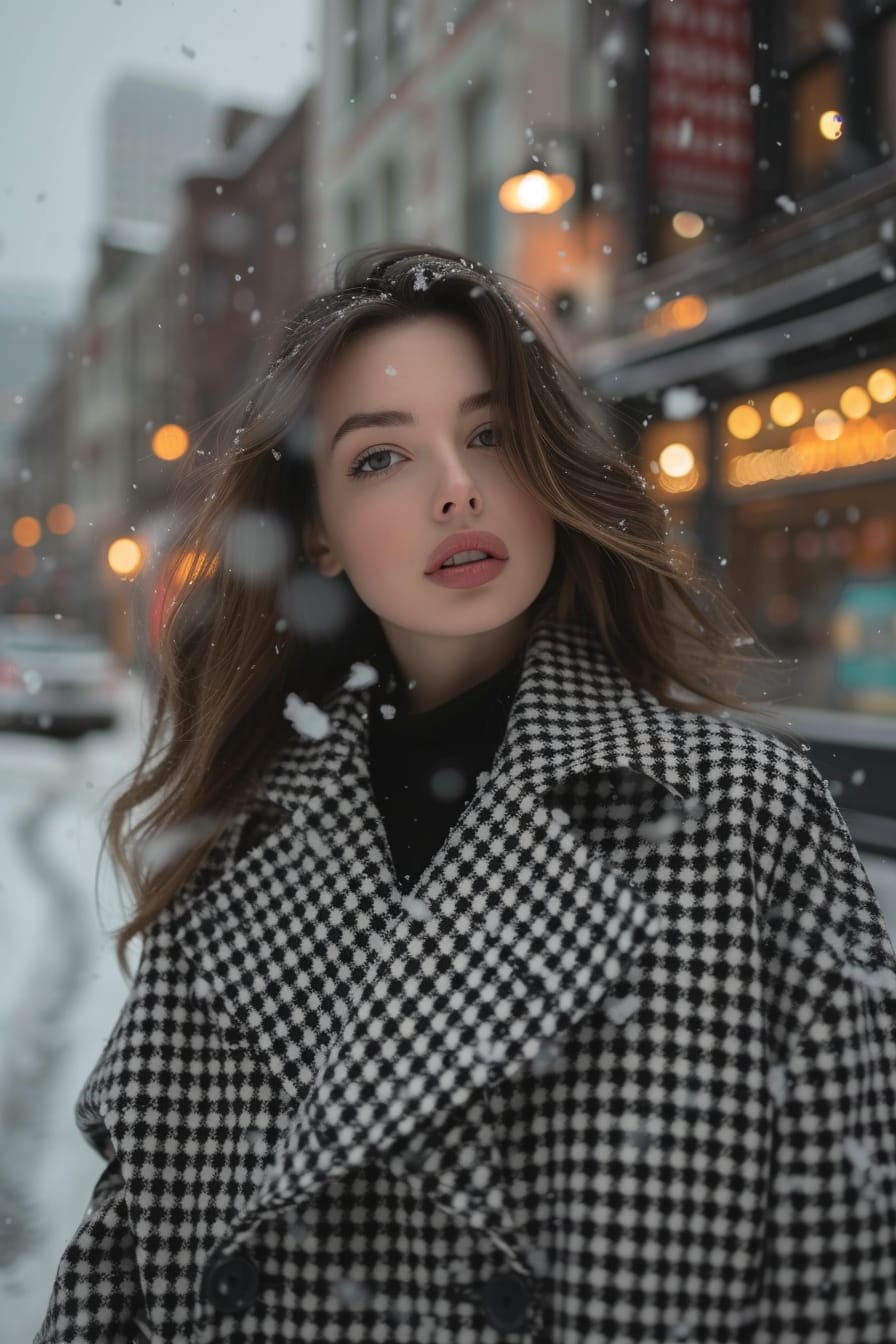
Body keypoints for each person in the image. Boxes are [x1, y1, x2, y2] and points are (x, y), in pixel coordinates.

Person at [37, 245, 896, 1342]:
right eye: (380, 458)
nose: (455, 486)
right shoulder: (235, 845)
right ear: (320, 537)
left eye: (488, 435)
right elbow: (117, 1287)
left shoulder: (738, 819)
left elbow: (848, 1284)